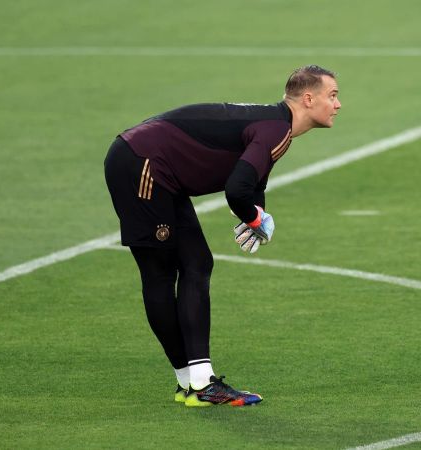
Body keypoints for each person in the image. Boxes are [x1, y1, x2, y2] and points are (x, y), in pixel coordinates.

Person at [103, 65, 341, 407]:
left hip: (152, 166)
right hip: (144, 164)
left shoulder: (275, 125)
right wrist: (254, 216)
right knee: (159, 273)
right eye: (332, 96)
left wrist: (255, 211)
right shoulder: (278, 129)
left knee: (197, 262)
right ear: (308, 99)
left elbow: (252, 180)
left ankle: (193, 384)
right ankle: (198, 384)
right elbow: (236, 190)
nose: (338, 104)